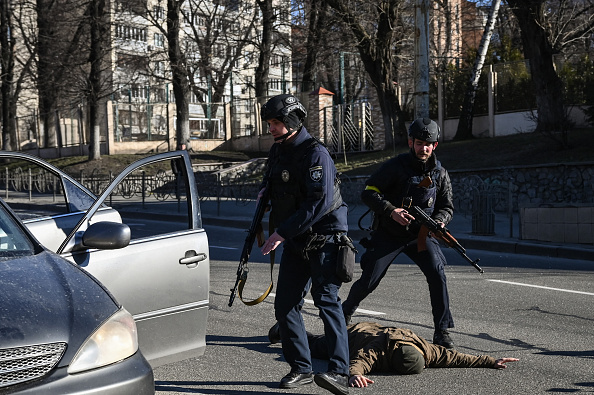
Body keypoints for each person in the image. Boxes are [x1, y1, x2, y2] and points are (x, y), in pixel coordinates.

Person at [259, 94, 351, 395]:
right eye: (270, 123)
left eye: (276, 123)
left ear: (292, 121)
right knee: (285, 305)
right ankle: (301, 369)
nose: (271, 128)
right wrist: (265, 195)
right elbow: (273, 182)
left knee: (327, 301)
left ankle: (339, 372)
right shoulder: (279, 151)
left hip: (325, 239)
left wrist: (280, 233)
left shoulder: (315, 153)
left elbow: (319, 202)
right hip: (297, 239)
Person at [342, 117, 457, 349]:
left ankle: (442, 331)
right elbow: (369, 192)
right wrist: (391, 210)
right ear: (410, 142)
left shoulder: (440, 173)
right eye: (419, 143)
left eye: (428, 144)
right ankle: (343, 315)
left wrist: (439, 222)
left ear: (435, 146)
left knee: (437, 273)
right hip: (390, 233)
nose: (423, 148)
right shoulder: (395, 166)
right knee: (370, 278)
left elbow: (447, 206)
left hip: (421, 236)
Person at [299, 321, 519, 387]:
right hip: (358, 333)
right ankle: (285, 331)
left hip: (379, 329)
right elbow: (359, 361)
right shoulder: (377, 349)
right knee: (316, 345)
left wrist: (491, 361)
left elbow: (456, 357)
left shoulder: (424, 349)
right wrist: (354, 375)